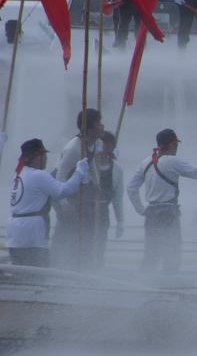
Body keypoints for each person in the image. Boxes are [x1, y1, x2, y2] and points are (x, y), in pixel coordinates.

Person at [126, 129, 197, 274]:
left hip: (151, 216)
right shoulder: (173, 161)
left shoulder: (145, 162)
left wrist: (141, 210)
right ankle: (169, 284)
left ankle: (145, 281)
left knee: (151, 253)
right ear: (173, 145)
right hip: (168, 215)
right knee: (172, 254)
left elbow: (131, 188)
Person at [6, 139, 88, 267]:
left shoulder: (19, 175)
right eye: (45, 155)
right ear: (38, 157)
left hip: (14, 234)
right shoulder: (38, 176)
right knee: (38, 275)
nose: (46, 158)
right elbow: (64, 191)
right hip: (32, 234)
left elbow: (45, 197)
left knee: (20, 276)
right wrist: (79, 172)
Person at [50, 109, 103, 270]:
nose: (103, 126)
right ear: (90, 130)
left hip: (72, 185)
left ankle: (75, 262)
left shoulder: (93, 142)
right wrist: (64, 203)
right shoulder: (75, 148)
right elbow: (61, 175)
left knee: (78, 223)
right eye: (99, 124)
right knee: (67, 223)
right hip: (59, 185)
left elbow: (90, 160)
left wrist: (96, 182)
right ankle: (54, 261)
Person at [93, 131, 125, 268]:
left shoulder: (117, 169)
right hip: (87, 210)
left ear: (109, 147)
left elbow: (118, 198)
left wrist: (120, 220)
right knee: (85, 246)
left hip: (103, 212)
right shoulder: (88, 164)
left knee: (99, 247)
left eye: (102, 143)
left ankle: (98, 270)